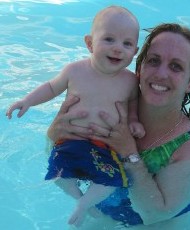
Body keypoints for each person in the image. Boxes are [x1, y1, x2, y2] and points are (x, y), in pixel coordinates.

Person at [47, 23, 190, 229]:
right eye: (153, 61)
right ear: (139, 68)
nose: (161, 74)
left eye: (176, 66)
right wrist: (54, 134)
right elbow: (58, 158)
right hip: (98, 210)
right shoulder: (109, 107)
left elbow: (154, 214)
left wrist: (129, 153)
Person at [6, 6, 145, 227]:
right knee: (58, 175)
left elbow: (134, 104)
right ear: (89, 43)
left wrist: (135, 121)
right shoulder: (75, 71)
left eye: (127, 44)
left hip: (105, 147)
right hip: (70, 142)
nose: (118, 48)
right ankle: (80, 200)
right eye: (109, 39)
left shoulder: (130, 81)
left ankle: (85, 204)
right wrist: (27, 101)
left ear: (135, 51)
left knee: (113, 181)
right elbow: (51, 87)